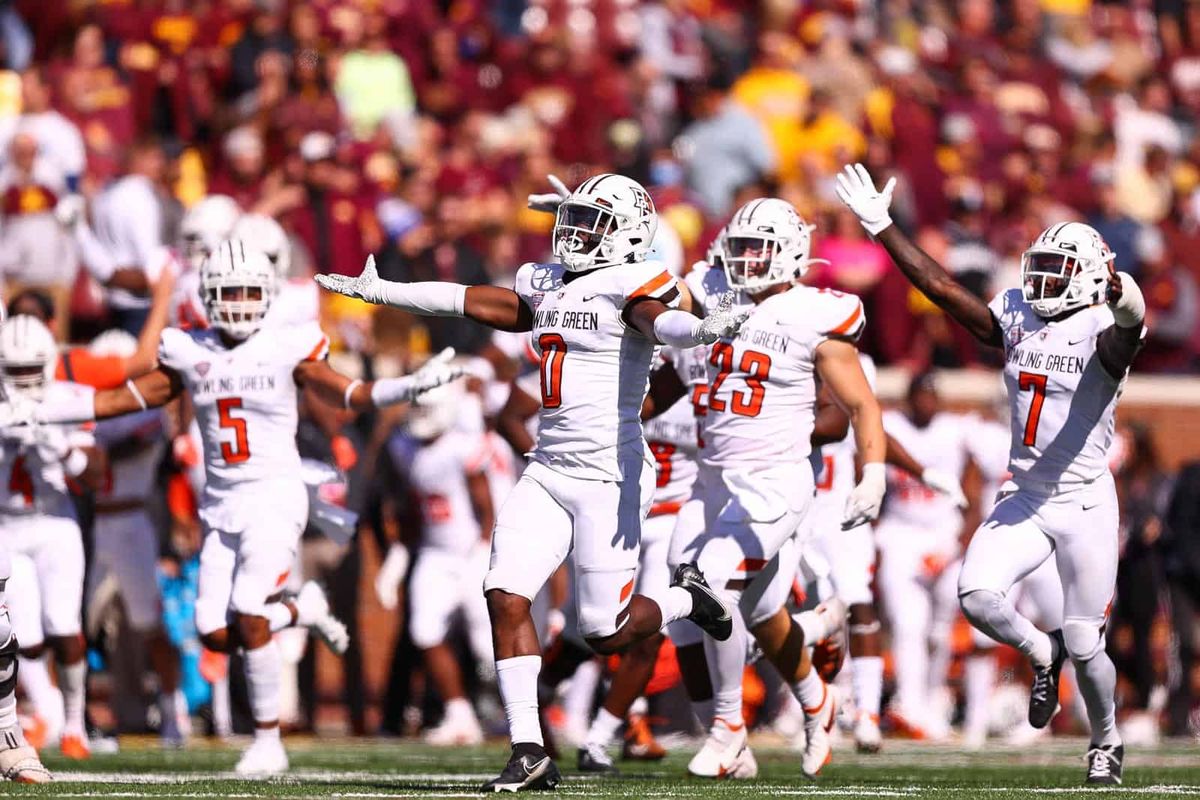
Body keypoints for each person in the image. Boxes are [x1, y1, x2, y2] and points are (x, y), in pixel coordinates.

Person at [316, 173, 749, 792]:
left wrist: (701, 330)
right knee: (504, 593)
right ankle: (528, 748)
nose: (572, 233)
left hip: (610, 474)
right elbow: (474, 299)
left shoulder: (632, 285)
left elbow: (661, 321)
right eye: (572, 219)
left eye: (592, 223)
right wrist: (388, 292)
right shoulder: (546, 282)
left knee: (604, 631)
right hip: (547, 469)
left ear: (627, 235)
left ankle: (689, 599)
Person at [18, 242, 463, 776]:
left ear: (267, 294)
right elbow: (128, 398)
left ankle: (268, 741)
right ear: (208, 295)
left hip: (274, 496)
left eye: (249, 291)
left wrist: (406, 387)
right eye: (229, 292)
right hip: (221, 506)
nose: (239, 302)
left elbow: (347, 393)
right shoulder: (190, 349)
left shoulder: (286, 346)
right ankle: (303, 610)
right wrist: (50, 409)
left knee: (251, 608)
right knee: (213, 631)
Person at [836, 162, 1147, 785]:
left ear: (1090, 279)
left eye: (1057, 271)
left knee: (1089, 644)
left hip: (1084, 500)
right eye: (1040, 267)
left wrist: (1122, 294)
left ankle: (1106, 740)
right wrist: (882, 227)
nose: (1040, 281)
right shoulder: (1018, 313)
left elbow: (1131, 325)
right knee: (977, 596)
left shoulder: (1101, 331)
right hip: (1026, 496)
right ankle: (1040, 652)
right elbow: (946, 292)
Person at [661, 198, 886, 779]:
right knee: (750, 613)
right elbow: (659, 309)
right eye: (739, 249)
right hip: (712, 482)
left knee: (710, 585)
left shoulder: (813, 311)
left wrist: (874, 470)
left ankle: (728, 728)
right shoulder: (716, 297)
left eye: (758, 248)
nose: (746, 261)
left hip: (775, 483)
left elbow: (860, 403)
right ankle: (818, 701)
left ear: (791, 252)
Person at [0, 315, 99, 758]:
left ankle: (76, 722)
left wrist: (58, 448)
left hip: (54, 520)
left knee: (64, 625)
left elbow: (97, 474)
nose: (22, 383)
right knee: (22, 633)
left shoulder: (67, 399)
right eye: (13, 372)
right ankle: (48, 711)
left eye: (30, 371)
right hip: (7, 524)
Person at [390, 381, 495, 746]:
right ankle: (460, 715)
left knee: (487, 644)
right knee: (424, 630)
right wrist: (400, 554)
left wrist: (484, 550)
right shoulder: (403, 447)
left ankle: (524, 714)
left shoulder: (461, 446)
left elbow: (485, 506)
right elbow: (412, 506)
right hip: (435, 553)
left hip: (469, 552)